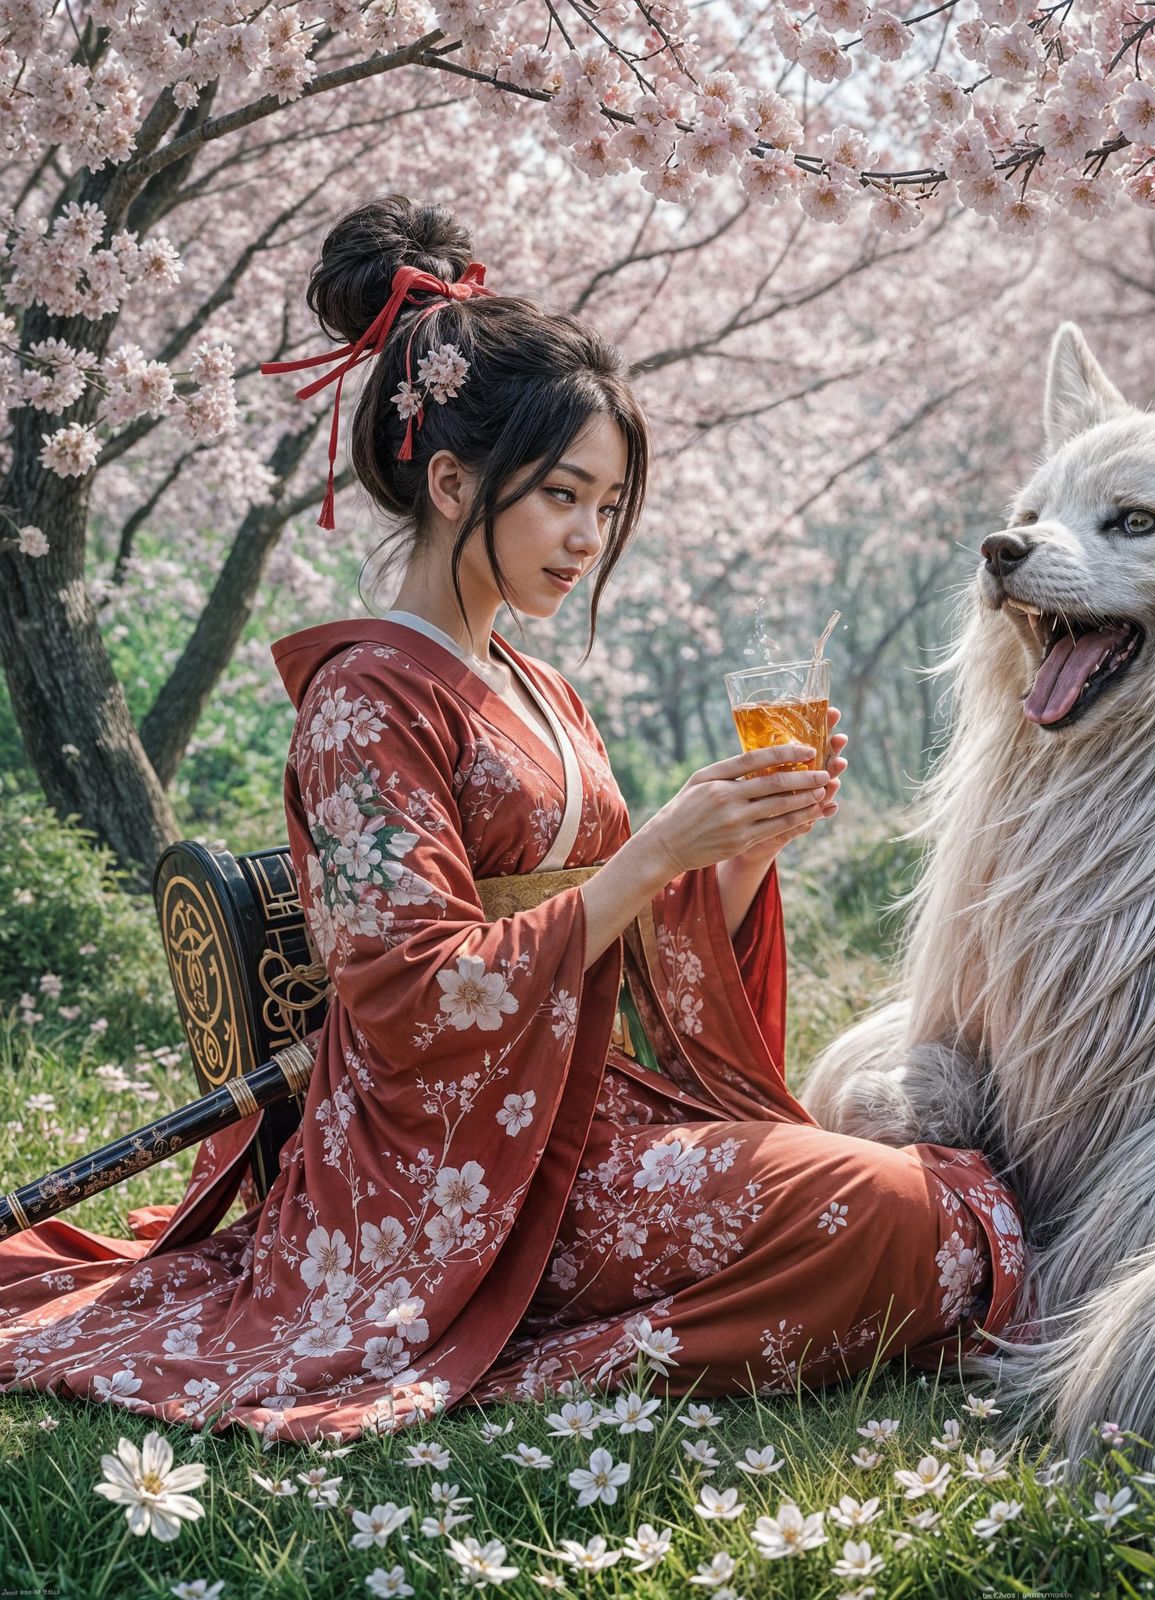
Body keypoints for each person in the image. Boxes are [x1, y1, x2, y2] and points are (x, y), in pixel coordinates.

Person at [0, 195, 1028, 1442]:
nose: (588, 539)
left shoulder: (540, 687)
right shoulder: (362, 701)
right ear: (448, 480)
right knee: (904, 1219)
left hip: (579, 1114)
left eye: (606, 506)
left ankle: (621, 1298)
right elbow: (411, 995)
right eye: (561, 498)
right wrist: (655, 851)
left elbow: (632, 944)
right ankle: (543, 1339)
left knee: (936, 1197)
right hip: (443, 1163)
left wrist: (737, 853)